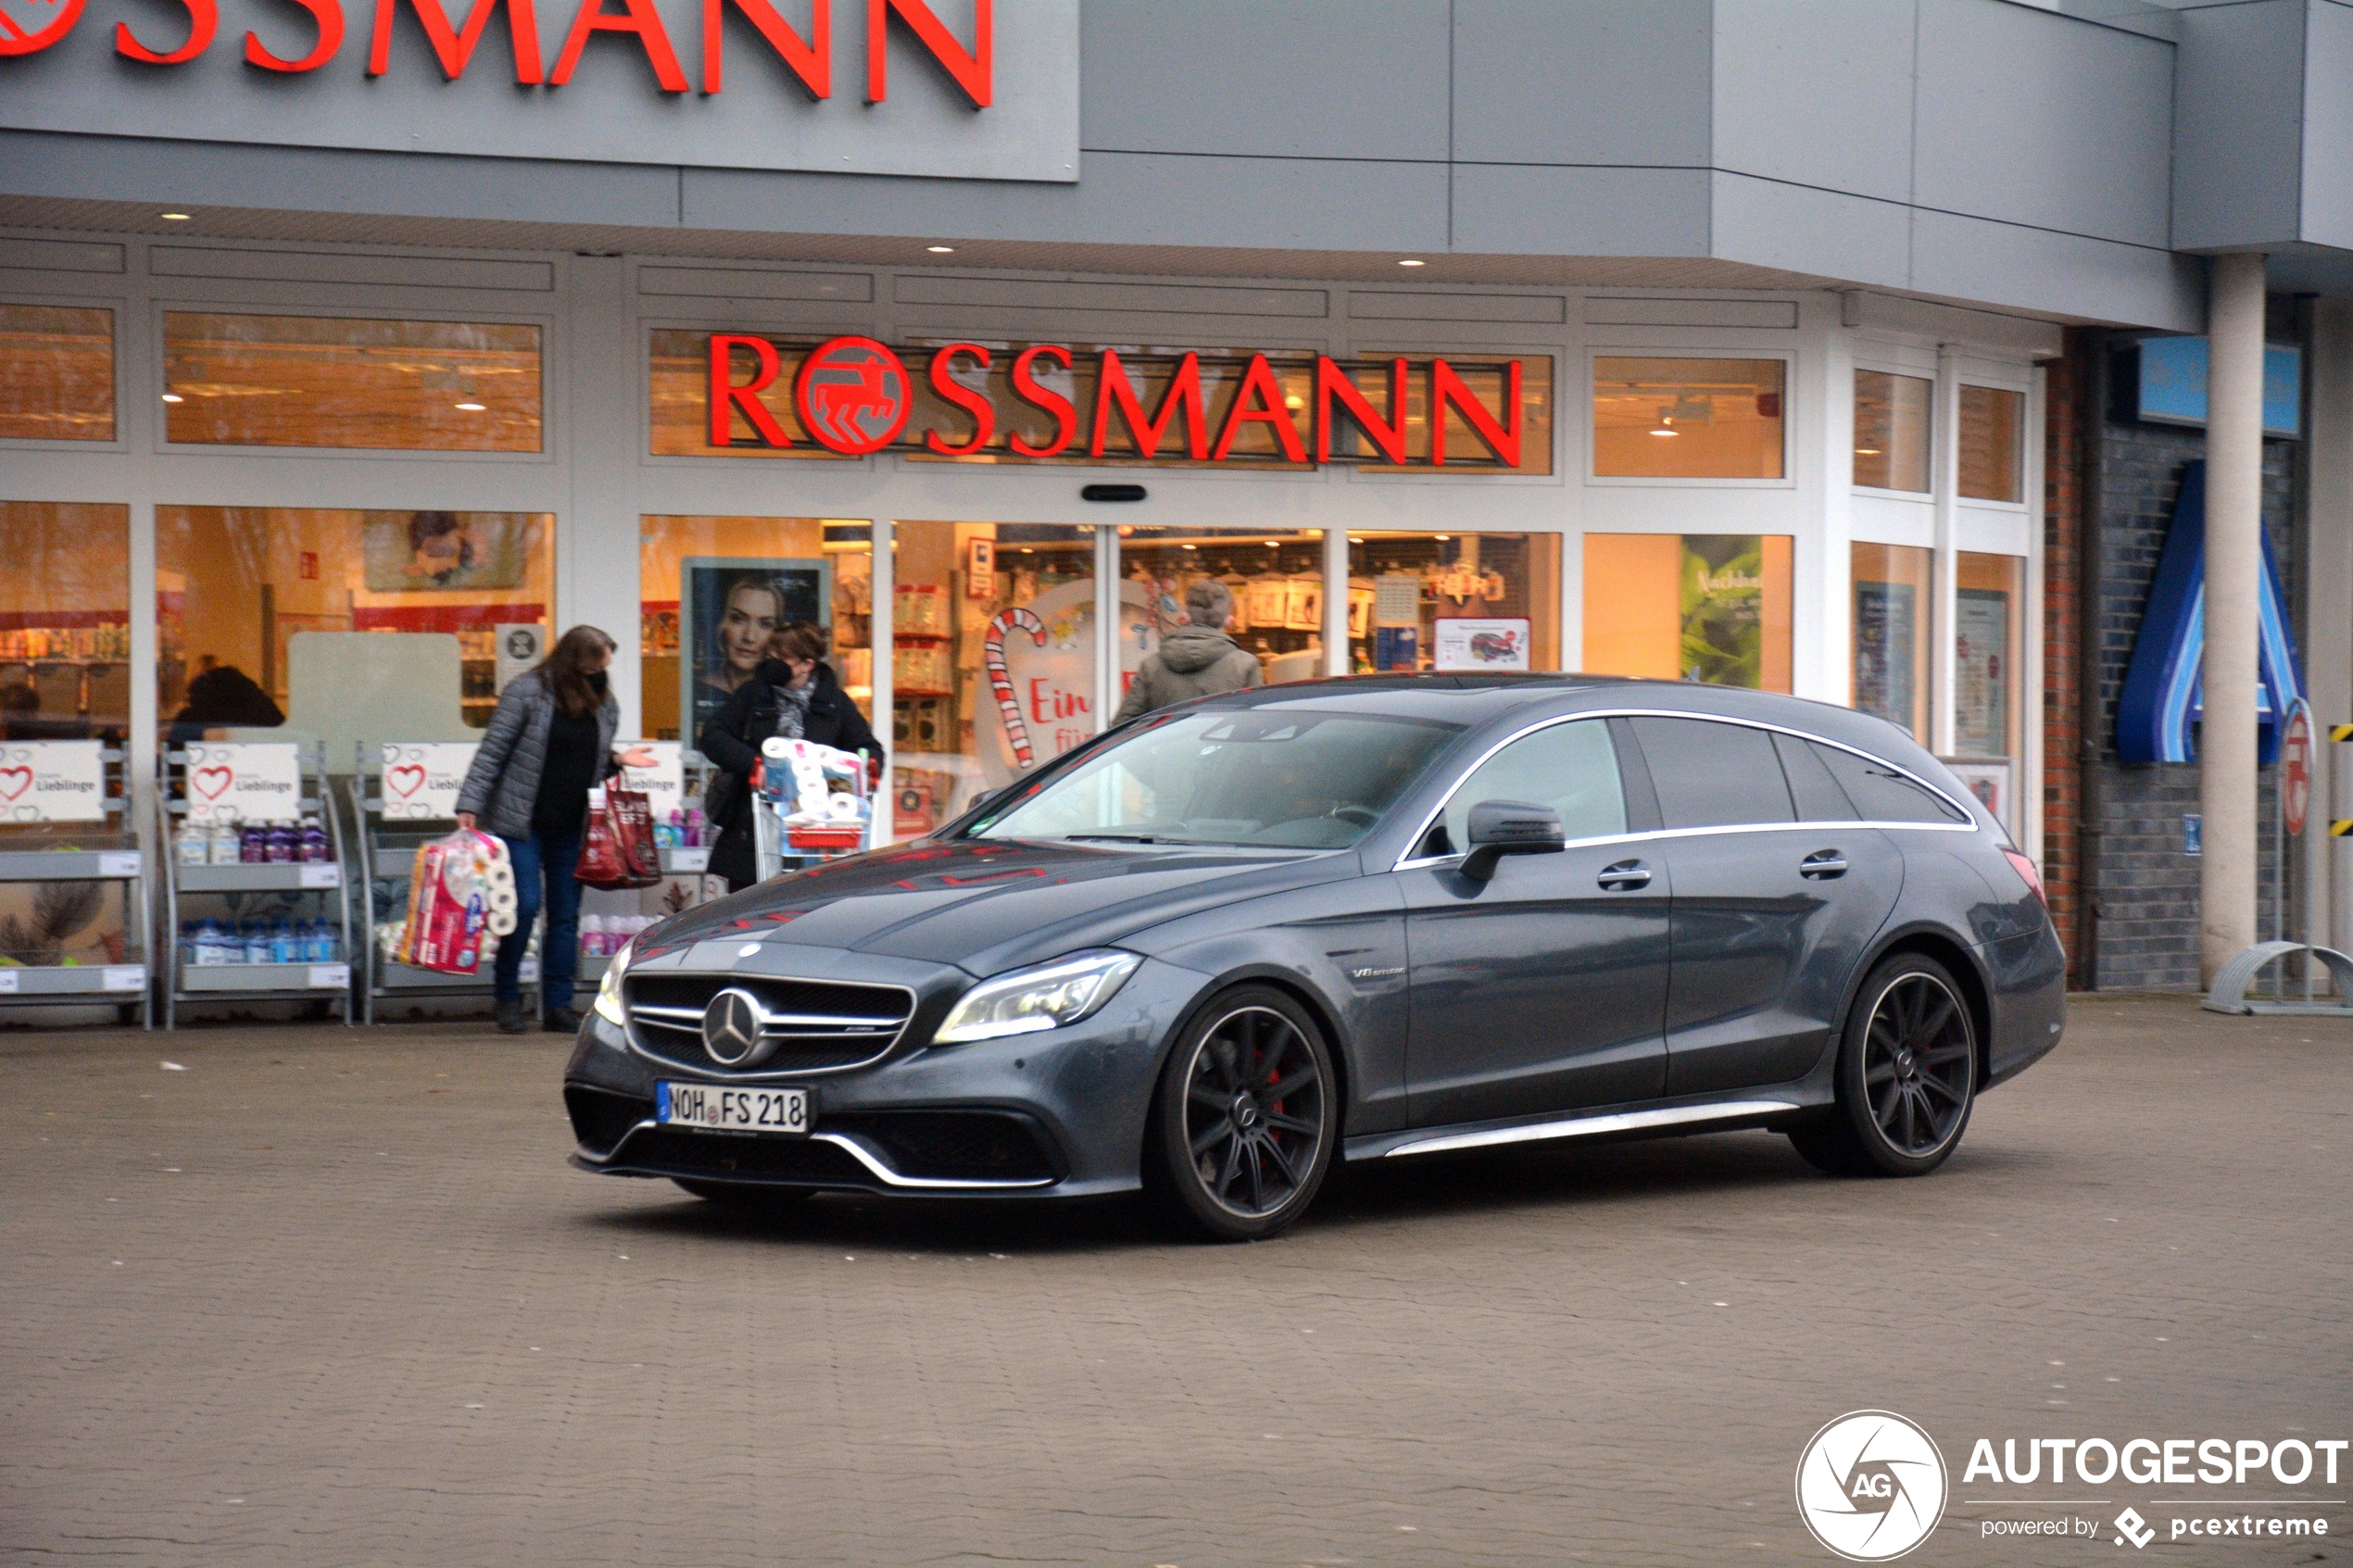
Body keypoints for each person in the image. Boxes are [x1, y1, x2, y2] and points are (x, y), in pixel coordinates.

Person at [455, 625, 654, 1035]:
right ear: (575, 659)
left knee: (565, 916)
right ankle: (508, 996)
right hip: (520, 821)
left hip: (572, 823)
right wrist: (470, 802)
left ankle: (557, 1004)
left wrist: (619, 760)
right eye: (598, 662)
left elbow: (592, 760)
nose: (604, 671)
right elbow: (494, 749)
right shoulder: (527, 692)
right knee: (524, 905)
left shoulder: (604, 703)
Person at [699, 622, 879, 892]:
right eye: (770, 656)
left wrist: (861, 773)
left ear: (806, 664)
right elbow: (713, 735)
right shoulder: (754, 695)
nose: (772, 664)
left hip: (816, 835)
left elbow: (867, 749)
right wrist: (754, 764)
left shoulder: (835, 704)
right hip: (754, 831)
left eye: (781, 659)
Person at [1112, 578, 1264, 723]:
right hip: (1224, 749)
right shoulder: (1245, 665)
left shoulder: (1152, 666)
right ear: (1228, 620)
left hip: (1166, 748)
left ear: (1186, 617)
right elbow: (1254, 727)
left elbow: (1121, 727)